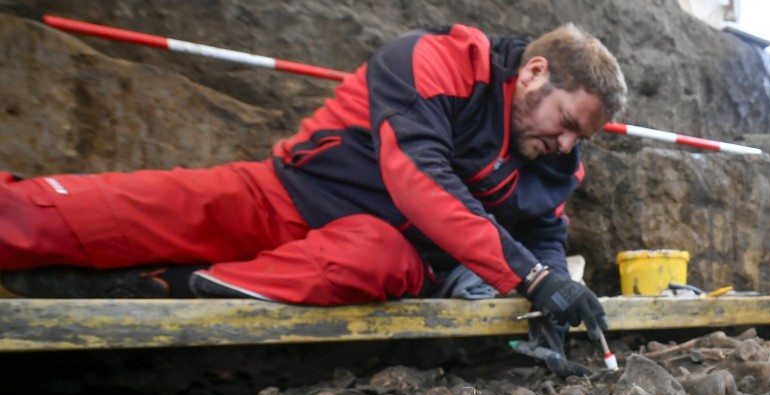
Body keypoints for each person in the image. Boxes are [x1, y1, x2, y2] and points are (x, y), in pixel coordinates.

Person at [0, 23, 625, 352]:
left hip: (384, 256)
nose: (567, 144)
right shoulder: (437, 60)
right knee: (75, 215)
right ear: (534, 73)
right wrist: (532, 279)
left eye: (581, 138)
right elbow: (418, 175)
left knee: (376, 258)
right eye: (567, 123)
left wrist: (556, 293)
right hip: (281, 196)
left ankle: (171, 285)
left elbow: (545, 231)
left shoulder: (558, 161)